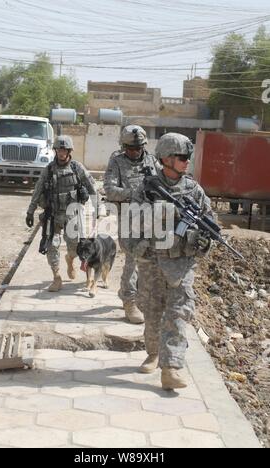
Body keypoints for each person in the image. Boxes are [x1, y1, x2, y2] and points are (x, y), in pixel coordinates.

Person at [129, 132, 214, 389]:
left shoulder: (194, 189)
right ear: (166, 159)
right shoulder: (147, 188)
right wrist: (165, 214)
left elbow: (209, 221)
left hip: (182, 262)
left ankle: (172, 368)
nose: (187, 161)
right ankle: (154, 353)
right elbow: (131, 222)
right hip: (153, 261)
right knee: (152, 311)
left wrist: (204, 239)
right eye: (182, 157)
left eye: (188, 157)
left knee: (179, 312)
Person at [26, 135, 97, 292]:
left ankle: (70, 260)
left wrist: (97, 209)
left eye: (64, 149)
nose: (61, 152)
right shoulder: (49, 170)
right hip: (53, 215)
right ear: (55, 150)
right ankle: (56, 277)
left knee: (75, 248)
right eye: (59, 149)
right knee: (52, 245)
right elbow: (37, 191)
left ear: (69, 151)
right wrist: (30, 212)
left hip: (72, 215)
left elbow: (92, 188)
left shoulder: (77, 168)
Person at [104, 125, 159, 324]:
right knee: (132, 259)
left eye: (138, 148)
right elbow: (109, 190)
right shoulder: (117, 161)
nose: (134, 152)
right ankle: (129, 301)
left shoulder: (152, 161)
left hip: (150, 218)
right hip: (128, 217)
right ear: (124, 146)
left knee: (149, 260)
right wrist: (134, 194)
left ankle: (136, 294)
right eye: (130, 148)